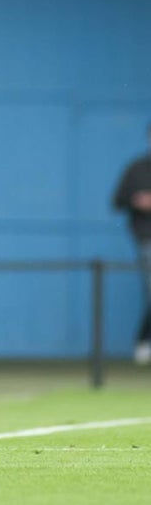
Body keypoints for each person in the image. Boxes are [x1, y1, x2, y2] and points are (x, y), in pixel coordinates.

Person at [112, 123, 151, 365]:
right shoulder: (136, 169)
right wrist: (138, 201)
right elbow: (117, 200)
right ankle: (143, 342)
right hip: (147, 238)